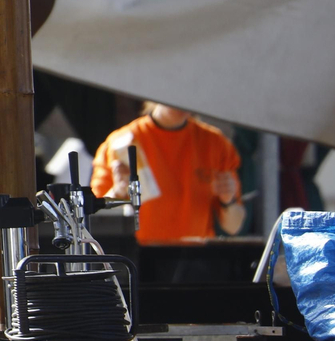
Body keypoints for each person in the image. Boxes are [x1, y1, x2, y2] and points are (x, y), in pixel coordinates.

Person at [90, 103, 246, 244]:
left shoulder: (215, 143)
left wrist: (228, 200)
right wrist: (118, 191)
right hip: (139, 258)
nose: (181, 101)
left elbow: (233, 226)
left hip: (194, 257)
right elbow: (94, 220)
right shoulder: (120, 142)